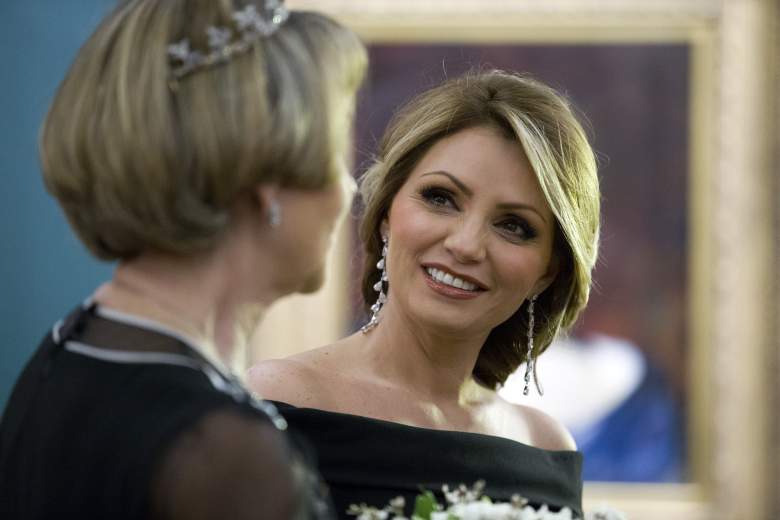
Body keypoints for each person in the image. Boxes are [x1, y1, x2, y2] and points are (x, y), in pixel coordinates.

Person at [0, 0, 366, 518]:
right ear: (269, 182)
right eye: (338, 148)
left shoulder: (69, 347)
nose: (348, 188)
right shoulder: (226, 457)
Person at [249, 70, 601, 518]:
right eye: (441, 198)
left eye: (514, 226)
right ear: (385, 215)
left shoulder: (545, 446)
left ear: (547, 273)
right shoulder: (280, 400)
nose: (466, 245)